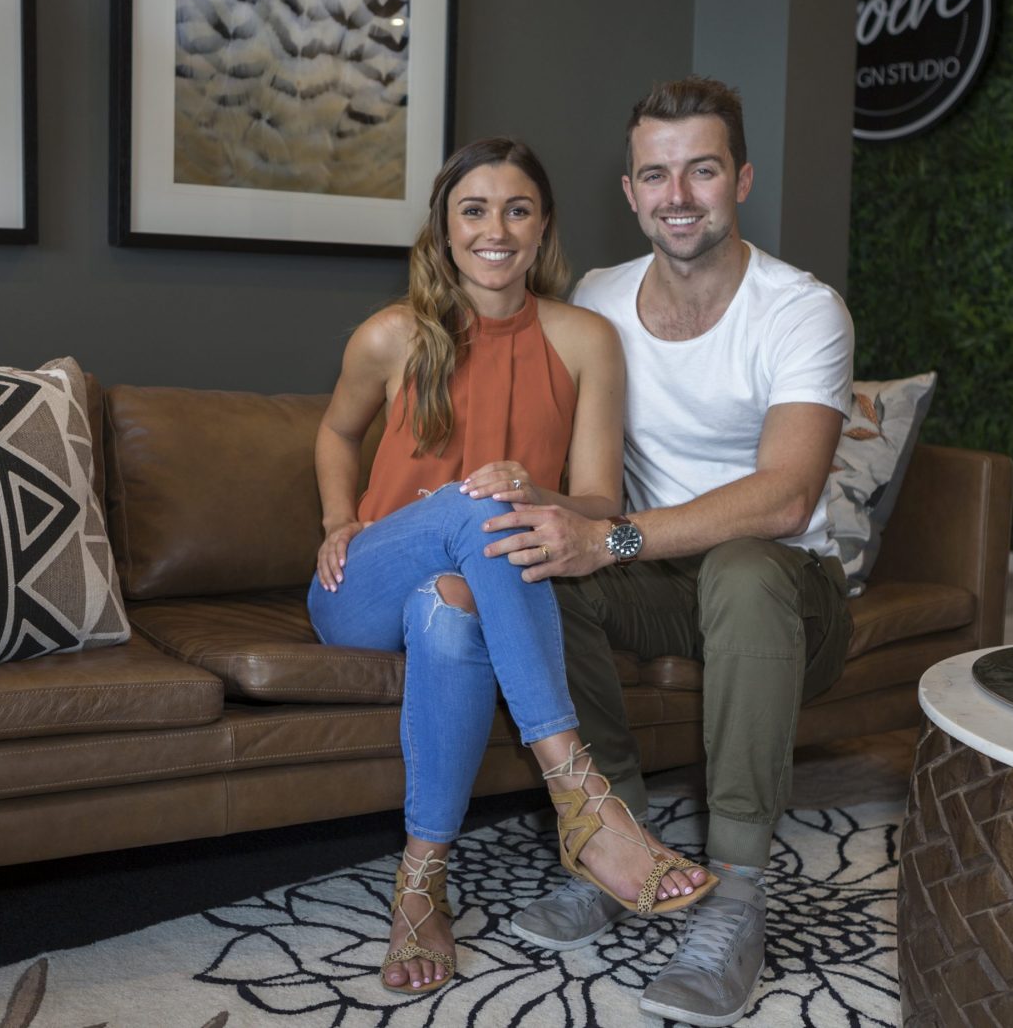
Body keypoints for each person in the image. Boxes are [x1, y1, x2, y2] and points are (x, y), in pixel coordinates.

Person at [306, 137, 716, 998]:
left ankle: (421, 884)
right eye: (474, 210)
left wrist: (533, 489)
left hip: (466, 589)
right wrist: (340, 520)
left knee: (455, 606)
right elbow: (337, 432)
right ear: (444, 229)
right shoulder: (390, 335)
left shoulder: (586, 340)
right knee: (478, 504)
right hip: (363, 587)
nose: (496, 230)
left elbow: (599, 503)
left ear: (542, 227)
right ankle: (583, 798)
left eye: (517, 210)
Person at [483, 79, 855, 1026]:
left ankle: (737, 892)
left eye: (702, 170)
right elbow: (574, 464)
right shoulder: (598, 300)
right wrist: (531, 503)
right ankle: (616, 843)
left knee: (742, 565)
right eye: (656, 175)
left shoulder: (801, 310)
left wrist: (610, 538)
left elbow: (787, 496)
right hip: (658, 581)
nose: (678, 195)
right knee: (534, 567)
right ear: (630, 190)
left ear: (742, 180)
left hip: (790, 594)